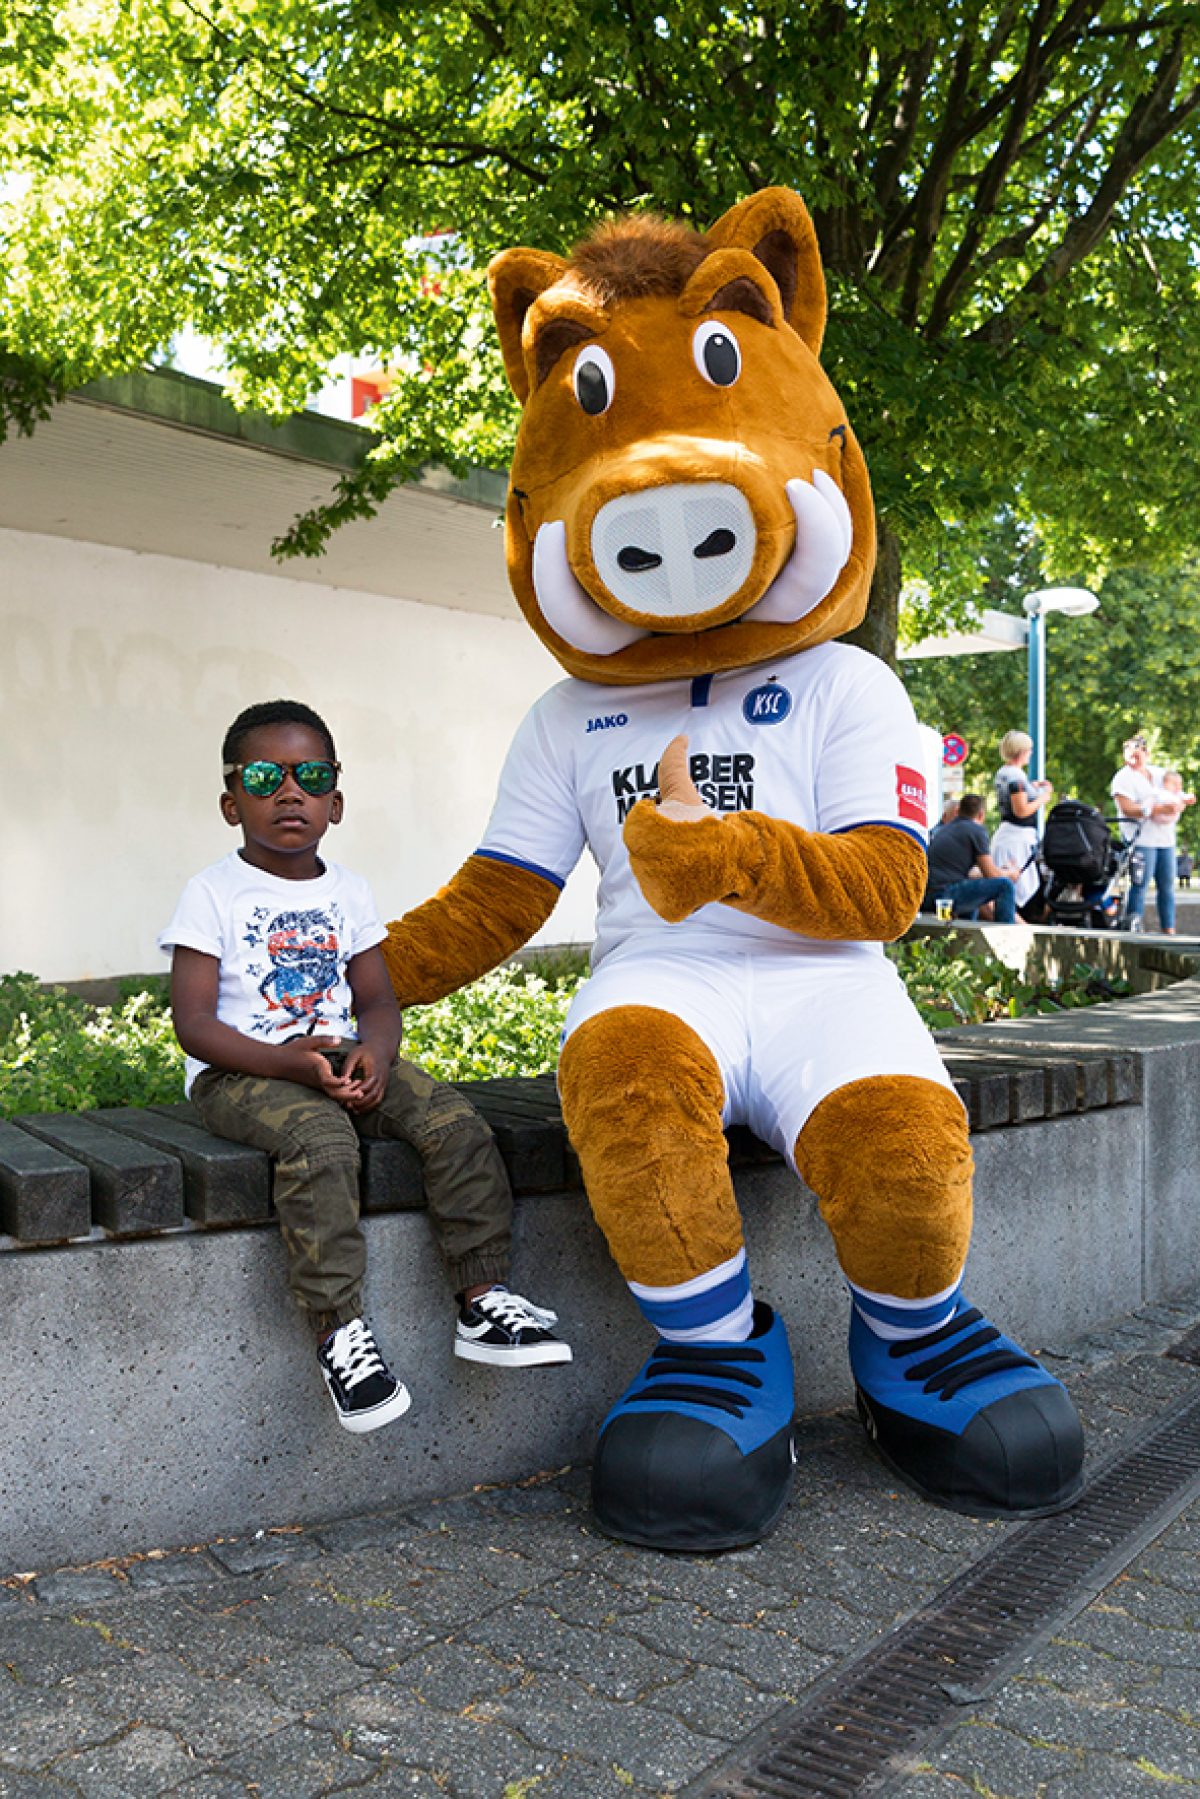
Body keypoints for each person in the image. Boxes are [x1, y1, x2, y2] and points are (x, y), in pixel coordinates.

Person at [158, 699, 571, 1434]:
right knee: (321, 1144)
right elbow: (194, 1025)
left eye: (311, 775)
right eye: (265, 776)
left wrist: (376, 1056)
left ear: (335, 800)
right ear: (232, 802)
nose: (291, 792)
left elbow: (377, 1001)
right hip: (243, 1069)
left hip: (340, 1054)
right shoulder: (211, 892)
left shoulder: (348, 891)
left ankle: (481, 1299)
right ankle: (339, 1332)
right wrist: (291, 1063)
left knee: (451, 1120)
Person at [1111, 738, 1195, 934]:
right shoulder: (1123, 778)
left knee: (1167, 886)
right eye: (1130, 756)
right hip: (1141, 840)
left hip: (1165, 838)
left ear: (1146, 754)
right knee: (1140, 885)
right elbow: (1127, 808)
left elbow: (1176, 791)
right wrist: (1155, 810)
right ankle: (1135, 927)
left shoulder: (1159, 774)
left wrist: (1180, 803)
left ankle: (1169, 928)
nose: (1134, 760)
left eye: (1138, 755)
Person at [924, 794, 1019, 923]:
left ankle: (965, 939)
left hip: (929, 897)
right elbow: (992, 875)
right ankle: (1006, 937)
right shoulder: (976, 830)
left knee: (972, 901)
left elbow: (976, 873)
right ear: (981, 814)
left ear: (959, 811)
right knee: (1005, 885)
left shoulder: (945, 829)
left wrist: (1000, 871)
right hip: (946, 895)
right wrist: (1010, 874)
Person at [991, 731, 1052, 915]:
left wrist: (1032, 788)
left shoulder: (1004, 773)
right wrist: (1044, 798)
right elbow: (1021, 810)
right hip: (1017, 839)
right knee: (1021, 887)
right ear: (1022, 751)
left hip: (1007, 834)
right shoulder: (1016, 777)